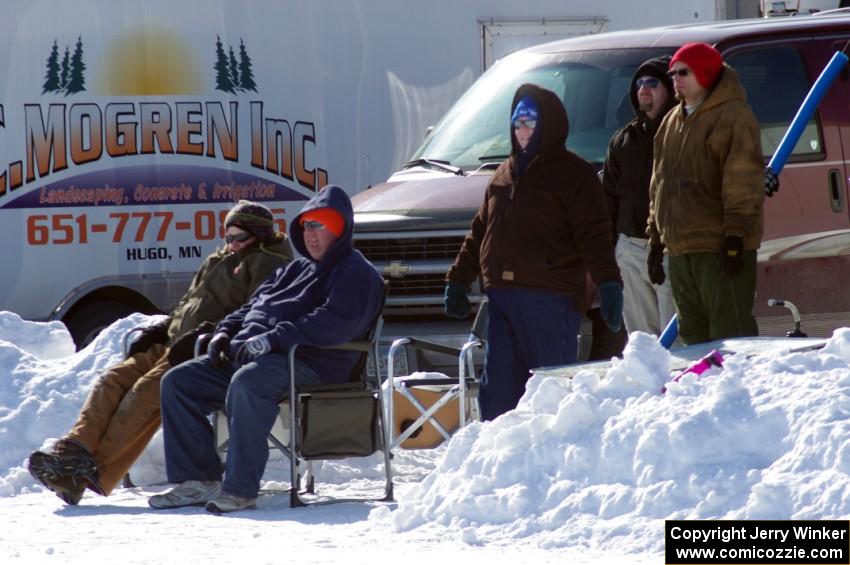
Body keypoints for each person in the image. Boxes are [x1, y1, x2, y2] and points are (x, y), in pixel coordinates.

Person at [27, 200, 292, 505]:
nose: (231, 244)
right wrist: (165, 326)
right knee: (112, 379)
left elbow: (254, 313)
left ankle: (85, 473)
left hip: (204, 348)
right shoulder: (219, 258)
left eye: (239, 237)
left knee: (143, 394)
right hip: (173, 341)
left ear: (258, 235)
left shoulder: (268, 263)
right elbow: (190, 302)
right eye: (227, 236)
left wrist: (207, 335)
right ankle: (74, 449)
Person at [148, 184, 384, 513]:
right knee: (179, 382)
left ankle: (240, 490)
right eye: (307, 226)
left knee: (249, 383)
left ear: (341, 228)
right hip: (263, 356)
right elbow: (252, 306)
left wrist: (272, 339)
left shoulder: (357, 273)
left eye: (321, 226)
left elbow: (333, 323)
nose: (312, 235)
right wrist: (224, 333)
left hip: (313, 364)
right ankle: (198, 480)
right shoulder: (294, 270)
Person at [444, 83, 623, 421]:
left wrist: (609, 284)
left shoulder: (574, 174)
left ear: (549, 124)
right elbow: (480, 230)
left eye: (529, 122)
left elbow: (595, 236)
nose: (522, 130)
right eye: (517, 123)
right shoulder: (503, 173)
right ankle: (497, 462)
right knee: (498, 395)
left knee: (549, 393)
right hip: (502, 300)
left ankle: (553, 461)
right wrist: (458, 279)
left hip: (550, 299)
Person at [647, 43, 764, 345]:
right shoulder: (671, 121)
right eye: (672, 73)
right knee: (693, 334)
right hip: (680, 247)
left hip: (719, 246)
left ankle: (738, 390)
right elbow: (658, 182)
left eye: (683, 72)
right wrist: (656, 240)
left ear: (706, 72)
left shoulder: (733, 116)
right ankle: (701, 392)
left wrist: (736, 235)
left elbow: (742, 178)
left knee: (730, 332)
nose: (675, 79)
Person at [603, 56, 677, 338]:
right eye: (639, 84)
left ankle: (680, 383)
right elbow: (608, 199)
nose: (644, 89)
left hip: (671, 247)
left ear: (669, 89)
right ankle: (648, 382)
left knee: (676, 339)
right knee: (642, 340)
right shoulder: (623, 139)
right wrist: (611, 249)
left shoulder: (681, 133)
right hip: (630, 248)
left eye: (653, 83)